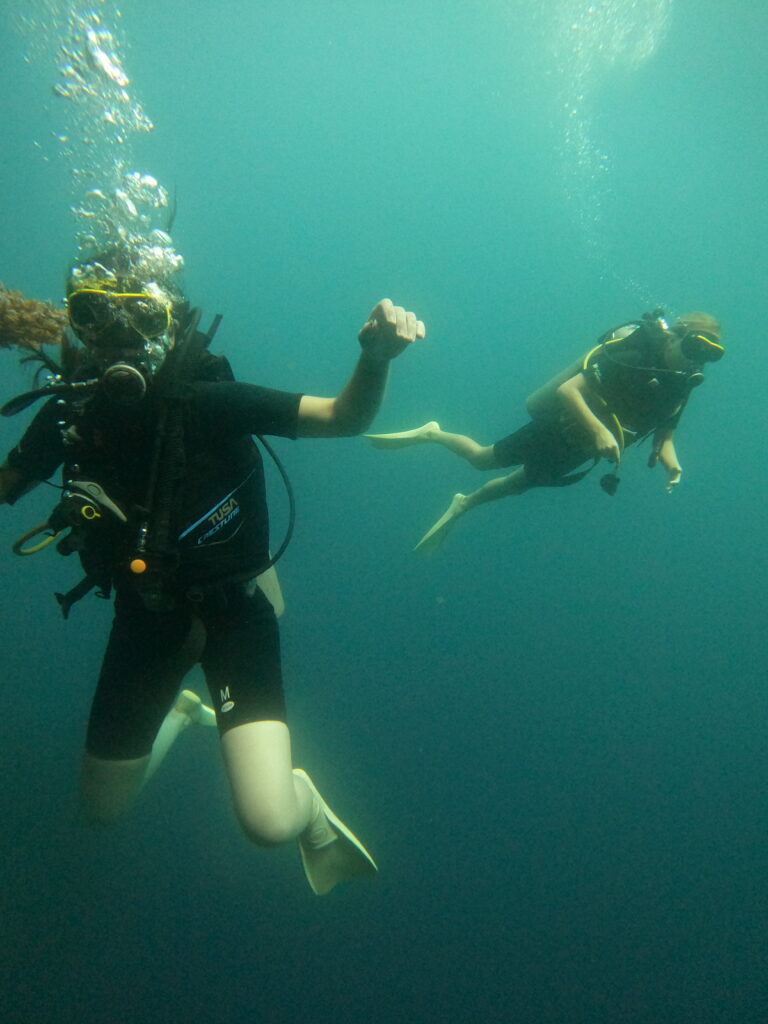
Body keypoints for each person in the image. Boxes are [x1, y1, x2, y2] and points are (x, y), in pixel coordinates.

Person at [0, 249, 425, 895]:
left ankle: (303, 799)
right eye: (93, 313)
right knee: (101, 814)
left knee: (269, 823)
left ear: (169, 320)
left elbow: (346, 418)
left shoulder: (209, 402)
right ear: (74, 323)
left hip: (234, 615)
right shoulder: (66, 417)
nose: (118, 336)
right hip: (145, 619)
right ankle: (183, 714)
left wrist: (375, 358)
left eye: (141, 317)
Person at [367, 310, 723, 553]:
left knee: (518, 484)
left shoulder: (682, 385)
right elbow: (567, 391)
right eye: (693, 348)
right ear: (674, 338)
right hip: (561, 426)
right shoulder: (632, 358)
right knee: (482, 459)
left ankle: (463, 504)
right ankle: (433, 433)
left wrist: (670, 462)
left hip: (584, 450)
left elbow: (666, 437)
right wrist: (599, 432)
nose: (696, 361)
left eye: (708, 356)